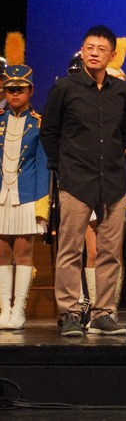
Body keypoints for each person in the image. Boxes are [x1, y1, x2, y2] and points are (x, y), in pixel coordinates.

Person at [41, 25, 126, 336]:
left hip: (113, 182)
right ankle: (70, 312)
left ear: (112, 55)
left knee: (110, 251)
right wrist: (63, 168)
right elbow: (49, 133)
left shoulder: (121, 91)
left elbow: (124, 134)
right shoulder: (64, 88)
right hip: (76, 181)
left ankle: (103, 312)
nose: (94, 53)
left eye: (101, 49)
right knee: (70, 250)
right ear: (82, 51)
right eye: (89, 47)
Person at [0, 33, 49, 330]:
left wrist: (41, 206)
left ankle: (19, 310)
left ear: (31, 90)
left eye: (20, 89)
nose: (15, 93)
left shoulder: (39, 124)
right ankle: (3, 308)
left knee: (22, 253)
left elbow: (43, 167)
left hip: (27, 196)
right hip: (1, 196)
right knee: (2, 253)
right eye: (10, 89)